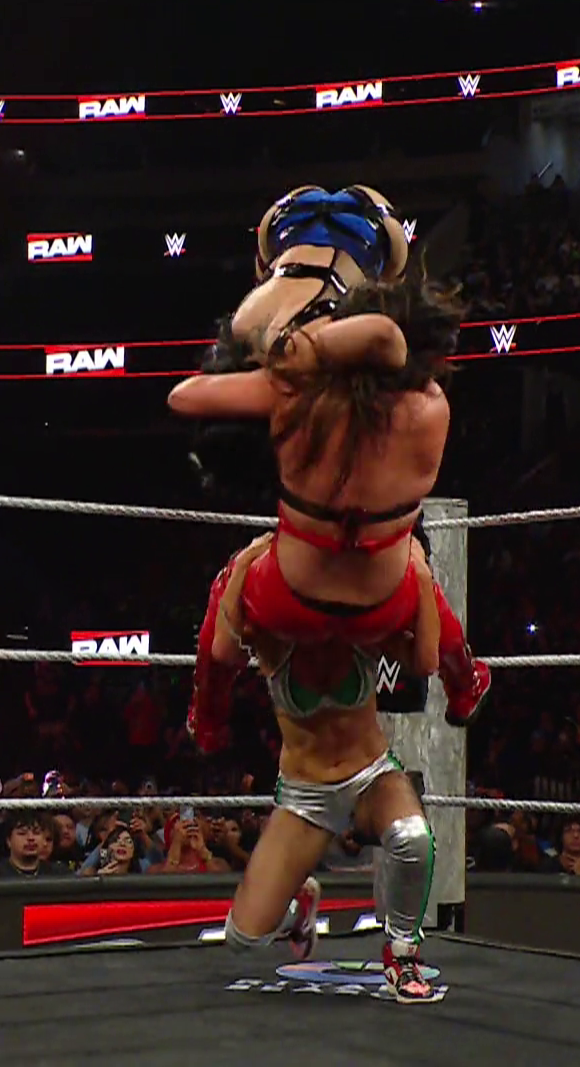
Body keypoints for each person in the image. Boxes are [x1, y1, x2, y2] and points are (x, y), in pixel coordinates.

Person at [174, 185, 490, 761]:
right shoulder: (432, 406)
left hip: (294, 589)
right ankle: (464, 682)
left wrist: (294, 355)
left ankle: (209, 717)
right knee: (419, 565)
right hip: (384, 598)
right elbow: (384, 338)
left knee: (233, 577)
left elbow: (184, 397)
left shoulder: (297, 394)